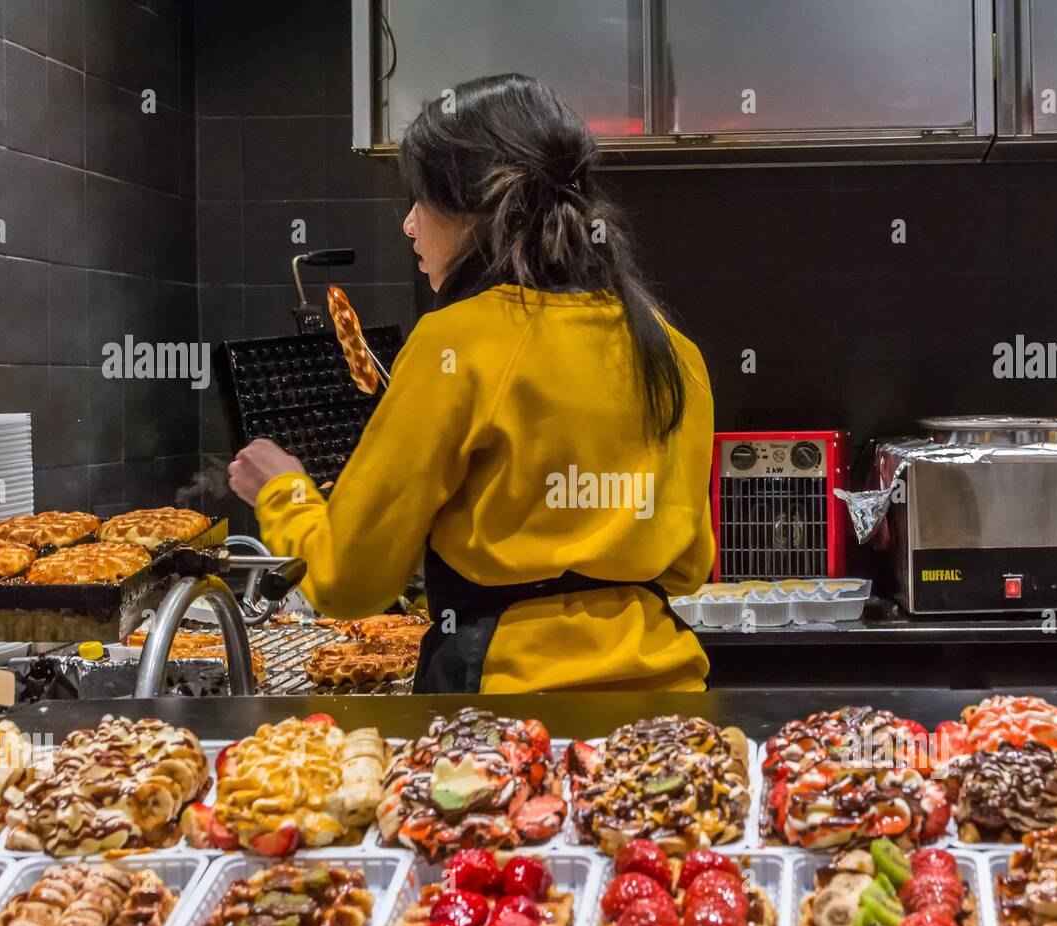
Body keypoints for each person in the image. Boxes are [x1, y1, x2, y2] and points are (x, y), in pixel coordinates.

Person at [228, 74, 715, 692]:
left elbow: (350, 582)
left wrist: (285, 493)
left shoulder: (453, 343)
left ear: (473, 211)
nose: (408, 226)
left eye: (420, 201)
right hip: (666, 703)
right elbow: (689, 566)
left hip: (505, 722)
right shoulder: (672, 349)